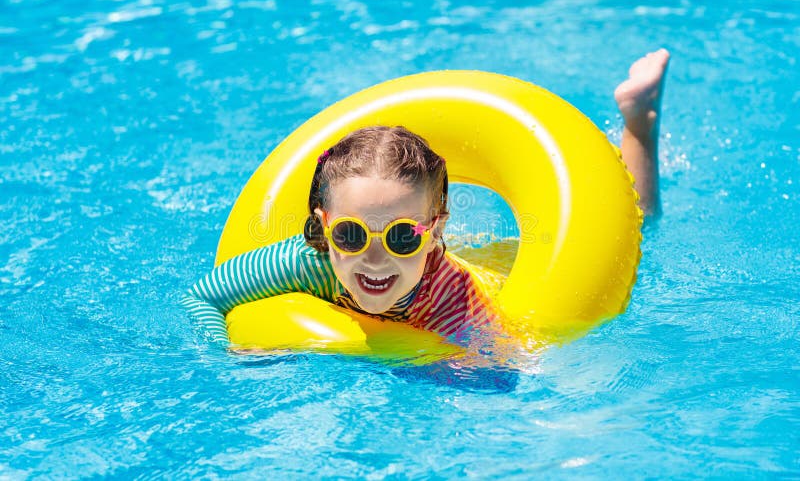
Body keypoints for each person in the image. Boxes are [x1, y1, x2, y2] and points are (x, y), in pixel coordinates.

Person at [181, 49, 670, 345]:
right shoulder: (305, 261)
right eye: (350, 234)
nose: (374, 258)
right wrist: (226, 355)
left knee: (636, 223)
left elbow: (509, 365)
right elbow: (202, 296)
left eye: (400, 236)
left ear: (434, 230)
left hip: (498, 274)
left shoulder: (452, 298)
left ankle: (639, 122)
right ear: (322, 226)